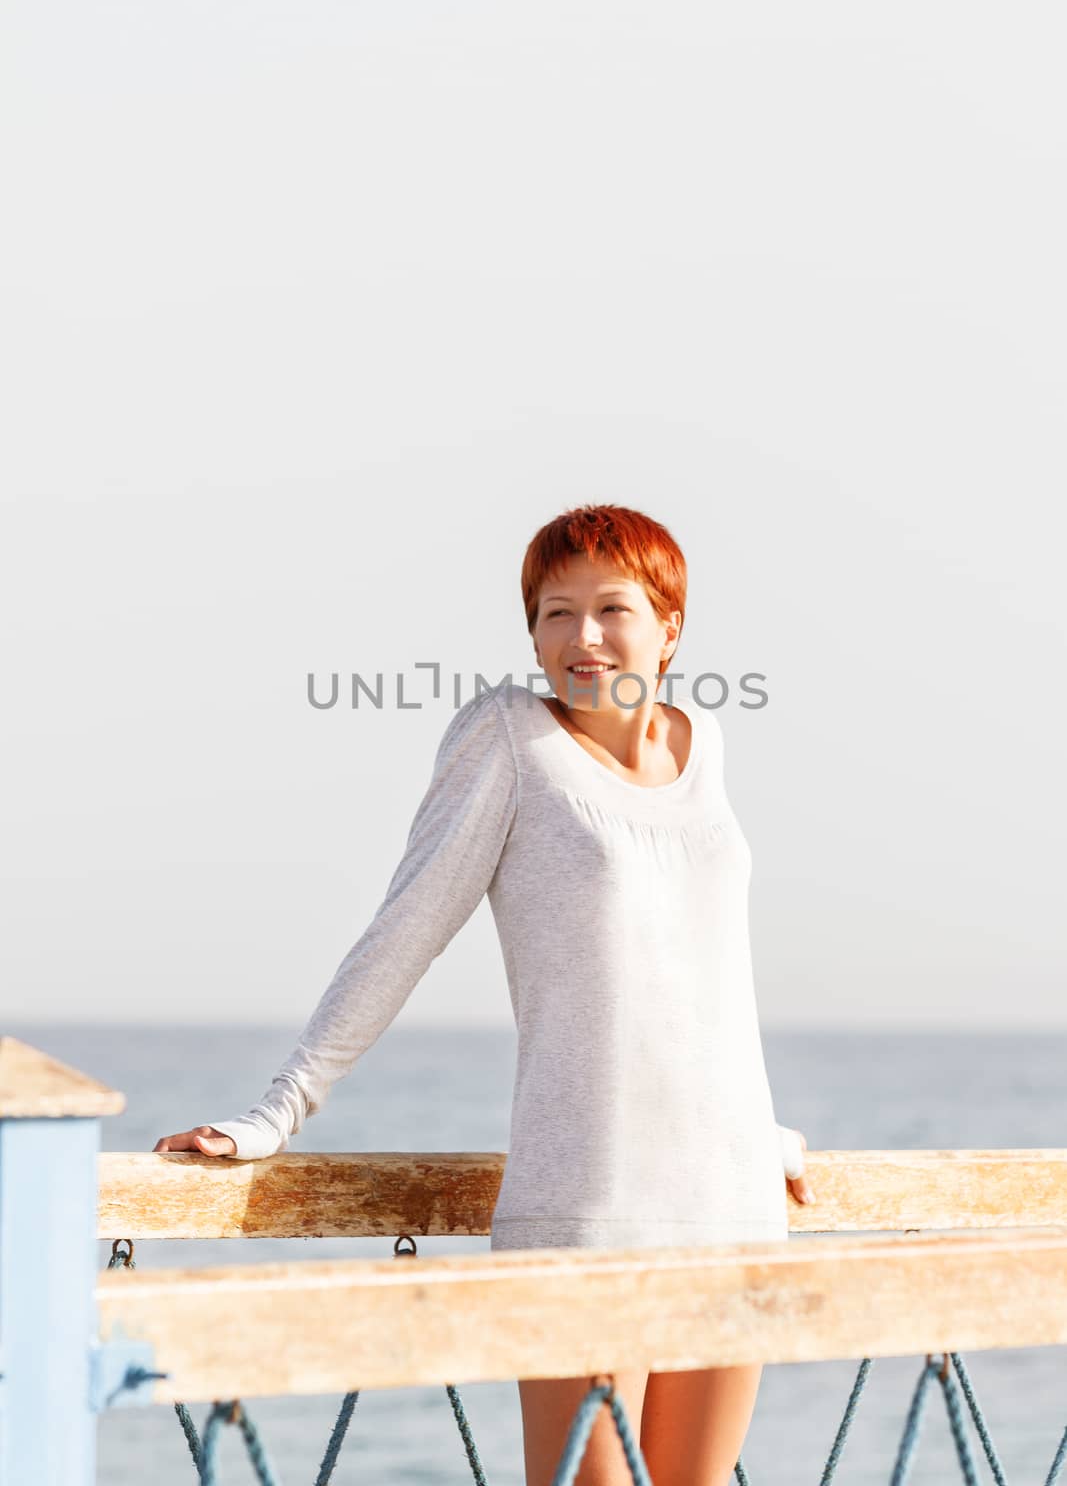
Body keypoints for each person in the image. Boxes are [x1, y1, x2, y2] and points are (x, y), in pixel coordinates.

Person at [155, 501, 814, 1486]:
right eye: (552, 612)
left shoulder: (703, 744)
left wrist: (754, 1127)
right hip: (588, 1206)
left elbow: (700, 969)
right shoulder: (507, 740)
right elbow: (402, 933)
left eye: (609, 608)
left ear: (669, 626)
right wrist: (274, 1111)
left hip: (733, 1197)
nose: (579, 637)